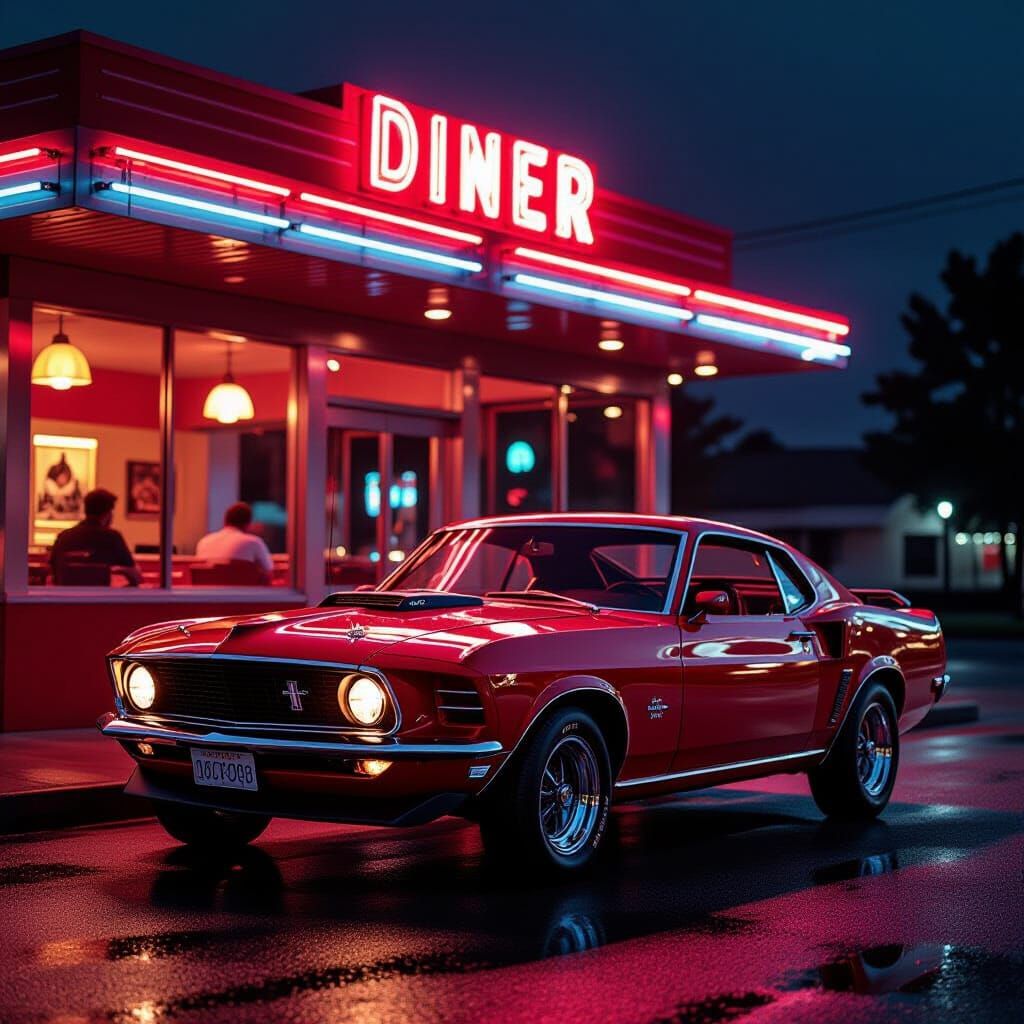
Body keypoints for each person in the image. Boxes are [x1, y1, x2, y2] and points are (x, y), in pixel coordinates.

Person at [51, 488, 142, 586]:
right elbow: (135, 575)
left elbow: (53, 572)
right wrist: (121, 570)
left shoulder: (63, 537)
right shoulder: (112, 538)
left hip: (66, 594)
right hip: (101, 595)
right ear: (108, 514)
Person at [196, 502, 273, 583]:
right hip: (242, 590)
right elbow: (269, 572)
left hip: (208, 590)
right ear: (248, 524)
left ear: (225, 521)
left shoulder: (204, 542)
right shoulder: (253, 542)